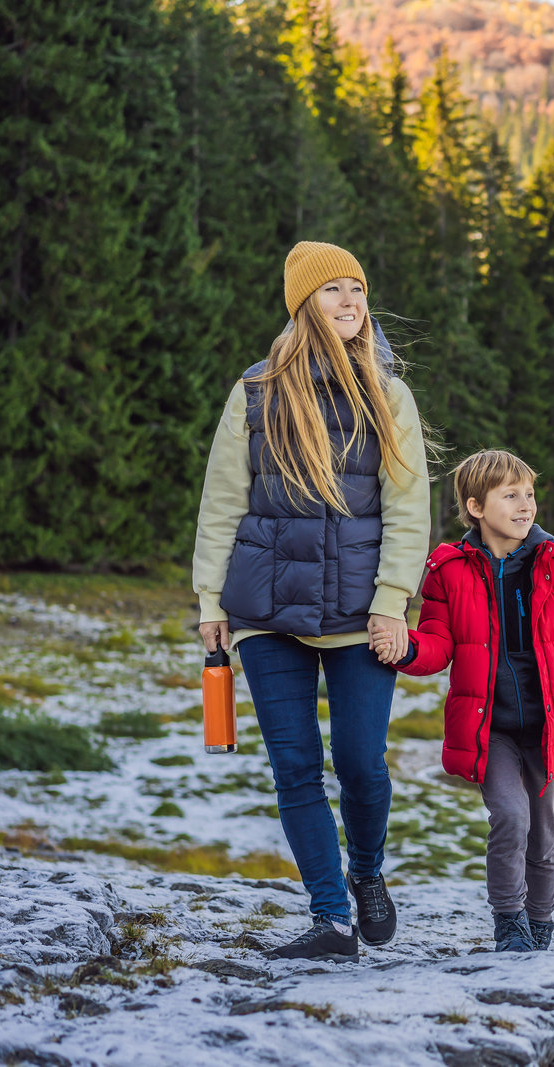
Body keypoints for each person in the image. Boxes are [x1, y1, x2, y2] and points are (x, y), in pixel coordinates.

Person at [193, 241, 430, 962]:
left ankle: (365, 871)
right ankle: (331, 919)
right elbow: (222, 502)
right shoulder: (255, 392)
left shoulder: (387, 394)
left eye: (358, 287)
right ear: (304, 304)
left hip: (361, 616)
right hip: (265, 613)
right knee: (294, 767)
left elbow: (410, 509)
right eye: (334, 290)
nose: (352, 300)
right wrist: (210, 598)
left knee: (362, 763)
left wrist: (392, 601)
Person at [383, 449, 554, 952]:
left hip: (552, 729)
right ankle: (510, 924)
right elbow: (439, 644)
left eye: (528, 493)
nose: (525, 504)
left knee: (544, 833)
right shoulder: (448, 571)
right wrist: (406, 648)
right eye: (510, 495)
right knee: (511, 818)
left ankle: (541, 925)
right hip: (492, 730)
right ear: (476, 507)